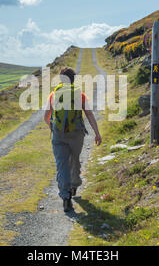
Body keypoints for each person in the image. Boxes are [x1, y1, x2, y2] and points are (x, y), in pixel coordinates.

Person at [44, 67, 102, 212]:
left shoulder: (54, 95)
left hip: (59, 135)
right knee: (74, 160)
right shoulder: (80, 95)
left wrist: (54, 127)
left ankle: (66, 197)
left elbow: (46, 116)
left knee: (62, 164)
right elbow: (89, 114)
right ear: (74, 79)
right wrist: (97, 133)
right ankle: (74, 186)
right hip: (76, 135)